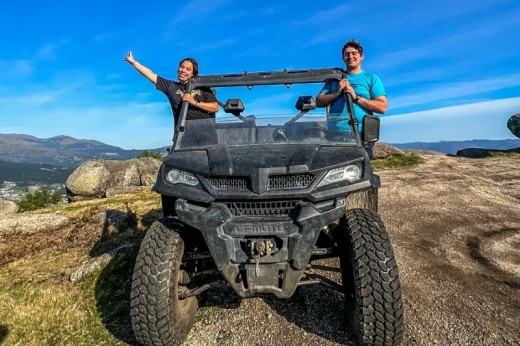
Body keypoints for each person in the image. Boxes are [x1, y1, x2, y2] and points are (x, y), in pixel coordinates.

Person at [316, 39, 387, 157]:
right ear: (343, 58)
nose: (350, 56)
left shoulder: (371, 78)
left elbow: (382, 107)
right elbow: (319, 101)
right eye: (347, 54)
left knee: (360, 172)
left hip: (361, 134)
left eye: (354, 53)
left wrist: (356, 97)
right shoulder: (334, 79)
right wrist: (337, 92)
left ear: (361, 56)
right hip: (335, 134)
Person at [124, 51, 219, 127]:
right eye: (182, 67)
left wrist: (194, 102)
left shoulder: (202, 87)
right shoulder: (171, 86)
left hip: (207, 134)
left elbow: (215, 107)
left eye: (188, 69)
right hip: (183, 136)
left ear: (193, 74)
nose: (183, 71)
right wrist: (133, 62)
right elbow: (150, 74)